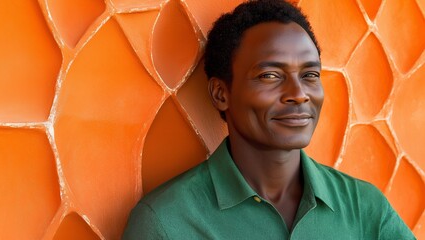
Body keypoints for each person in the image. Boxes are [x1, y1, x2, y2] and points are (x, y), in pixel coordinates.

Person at [123, 0, 415, 239]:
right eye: (270, 76)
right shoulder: (165, 222)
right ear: (221, 93)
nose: (299, 94)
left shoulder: (364, 208)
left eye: (310, 75)